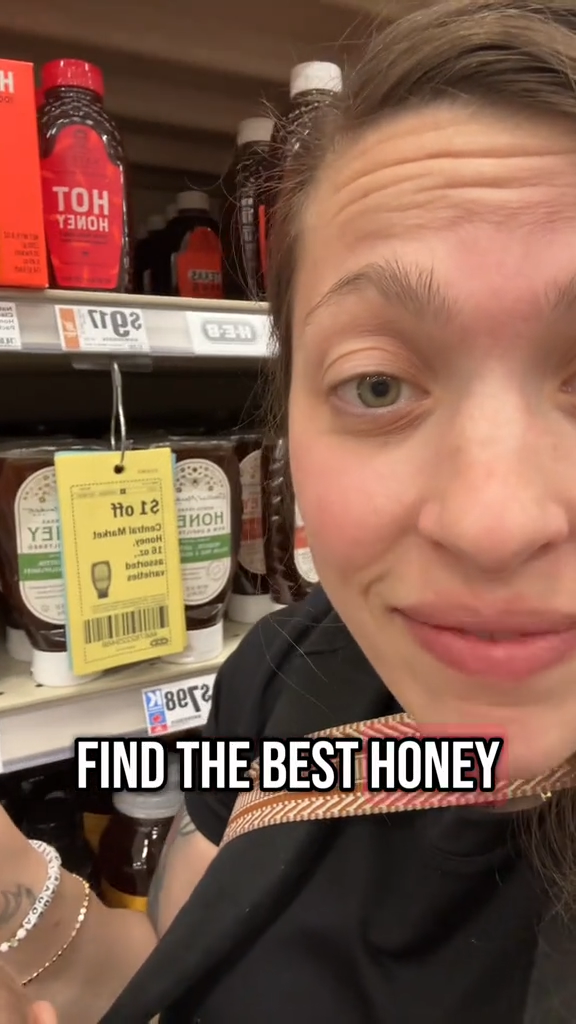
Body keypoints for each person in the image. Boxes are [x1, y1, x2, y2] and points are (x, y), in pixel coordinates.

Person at [4, 0, 576, 1019]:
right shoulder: (290, 670)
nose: (491, 524)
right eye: (376, 384)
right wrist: (17, 892)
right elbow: (187, 967)